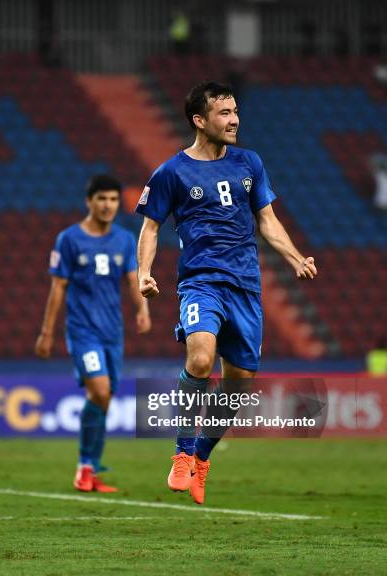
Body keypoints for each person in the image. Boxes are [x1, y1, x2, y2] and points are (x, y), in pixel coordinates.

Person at [136, 81, 317, 505]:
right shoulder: (171, 172)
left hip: (246, 288)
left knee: (238, 387)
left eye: (235, 111)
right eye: (224, 113)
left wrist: (293, 257)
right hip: (200, 281)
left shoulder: (250, 163)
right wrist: (144, 273)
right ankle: (182, 452)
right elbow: (150, 227)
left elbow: (267, 220)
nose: (234, 119)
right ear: (200, 120)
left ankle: (201, 458)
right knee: (200, 356)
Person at [35, 174, 151, 493]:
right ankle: (84, 466)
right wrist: (47, 333)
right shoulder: (69, 239)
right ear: (89, 201)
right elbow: (58, 287)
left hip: (112, 332)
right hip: (83, 331)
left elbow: (132, 278)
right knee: (99, 391)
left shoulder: (125, 240)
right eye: (101, 199)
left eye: (113, 199)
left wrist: (143, 309)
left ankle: (91, 467)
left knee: (104, 397)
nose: (108, 205)